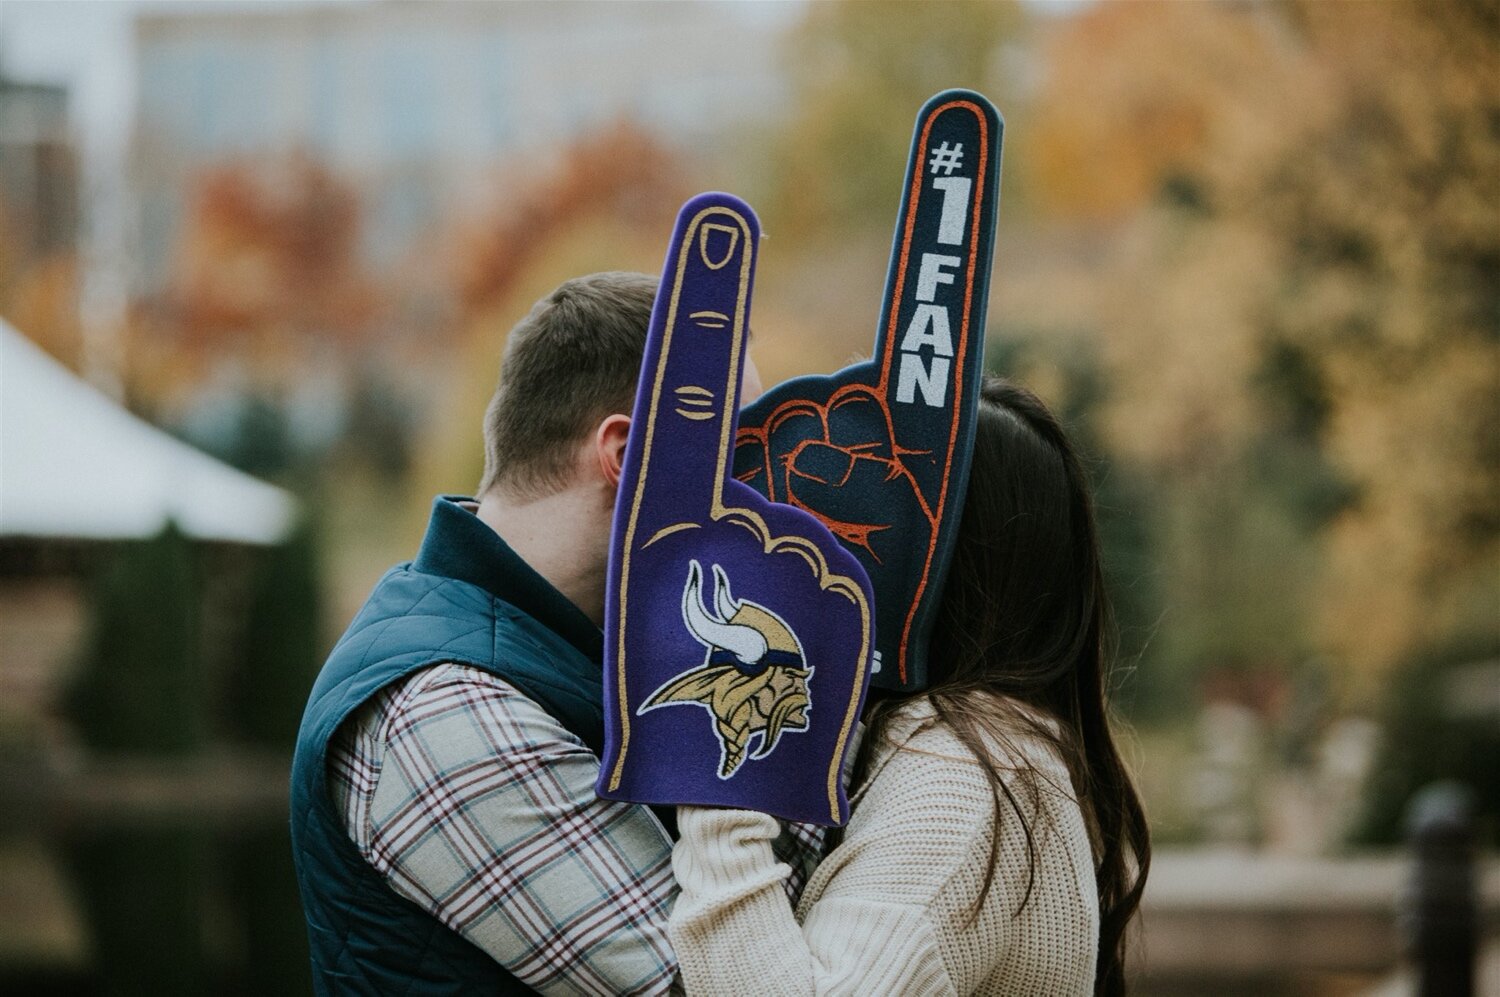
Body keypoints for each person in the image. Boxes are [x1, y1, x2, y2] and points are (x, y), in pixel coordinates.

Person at [288, 271, 817, 995]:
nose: (764, 494)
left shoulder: (584, 646)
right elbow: (726, 978)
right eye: (741, 452)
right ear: (628, 457)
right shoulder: (441, 710)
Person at [667, 376, 1152, 996]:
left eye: (852, 535)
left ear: (932, 560)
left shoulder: (966, 777)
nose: (816, 561)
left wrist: (719, 793)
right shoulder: (989, 751)